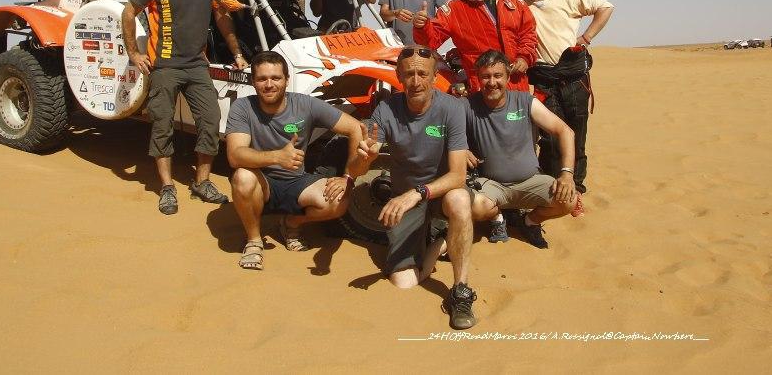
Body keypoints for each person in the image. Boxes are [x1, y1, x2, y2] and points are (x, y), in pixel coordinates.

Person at [122, 0, 248, 215]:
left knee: (210, 119)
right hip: (164, 66)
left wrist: (237, 53)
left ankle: (201, 182)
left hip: (196, 64)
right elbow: (129, 12)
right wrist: (133, 52)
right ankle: (167, 187)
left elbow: (221, 16)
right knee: (161, 123)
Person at [356, 45, 477, 330]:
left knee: (460, 200)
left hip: (438, 193)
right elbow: (359, 167)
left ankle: (460, 291)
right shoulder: (386, 108)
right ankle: (438, 244)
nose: (416, 81)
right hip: (406, 199)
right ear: (399, 76)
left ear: (435, 77)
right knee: (404, 283)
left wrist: (416, 193)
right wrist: (366, 157)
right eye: (408, 74)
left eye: (423, 73)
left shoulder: (452, 108)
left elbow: (458, 175)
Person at [225, 52, 364, 270]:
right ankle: (253, 240)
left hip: (296, 182)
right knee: (242, 177)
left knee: (339, 200)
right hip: (262, 181)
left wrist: (349, 175)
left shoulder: (305, 105)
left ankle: (291, 223)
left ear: (287, 79)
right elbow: (235, 155)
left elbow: (356, 128)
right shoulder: (243, 108)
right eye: (262, 79)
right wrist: (276, 157)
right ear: (253, 82)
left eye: (276, 78)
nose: (269, 84)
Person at [521, 0, 613, 198]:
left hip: (574, 78)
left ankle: (577, 187)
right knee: (549, 137)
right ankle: (550, 185)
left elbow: (605, 6)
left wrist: (586, 37)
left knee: (577, 131)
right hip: (544, 79)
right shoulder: (519, 5)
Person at [464, 50, 577, 248]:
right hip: (491, 185)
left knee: (568, 201)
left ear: (508, 76)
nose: (492, 82)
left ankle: (530, 222)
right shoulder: (468, 106)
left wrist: (567, 174)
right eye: (486, 76)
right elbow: (442, 128)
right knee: (472, 205)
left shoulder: (525, 102)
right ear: (478, 78)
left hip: (530, 181)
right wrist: (460, 148)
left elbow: (565, 131)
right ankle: (497, 218)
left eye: (498, 76)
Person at [412, 0, 537, 92]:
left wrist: (524, 57)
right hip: (483, 90)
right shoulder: (454, 9)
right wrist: (422, 26)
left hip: (517, 85)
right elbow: (430, 42)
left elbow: (528, 34)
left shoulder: (513, 1)